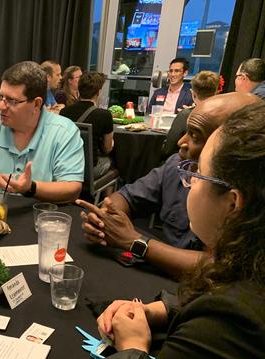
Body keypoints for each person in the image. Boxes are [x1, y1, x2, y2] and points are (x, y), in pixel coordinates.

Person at [87, 101, 265, 359]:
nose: (188, 181)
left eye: (197, 175)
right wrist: (164, 310)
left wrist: (133, 347)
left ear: (233, 203)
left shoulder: (236, 322)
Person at [76, 92, 260, 279]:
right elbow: (129, 196)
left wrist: (135, 242)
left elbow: (224, 269)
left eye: (195, 135)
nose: (181, 142)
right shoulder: (176, 165)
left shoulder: (252, 201)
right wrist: (106, 220)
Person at [0, 61, 84, 203]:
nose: (1, 107)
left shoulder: (64, 132)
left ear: (36, 104)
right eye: (0, 97)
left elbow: (72, 188)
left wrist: (31, 188)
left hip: (38, 218)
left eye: (12, 101)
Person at [60, 71, 113, 178]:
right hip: (88, 170)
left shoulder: (64, 112)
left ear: (79, 89)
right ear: (98, 92)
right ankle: (105, 194)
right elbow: (107, 149)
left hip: (66, 166)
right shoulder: (104, 115)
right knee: (112, 162)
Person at [162, 70, 219, 158]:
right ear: (216, 93)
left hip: (185, 161)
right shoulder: (223, 114)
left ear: (193, 94)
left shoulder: (185, 115)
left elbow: (168, 149)